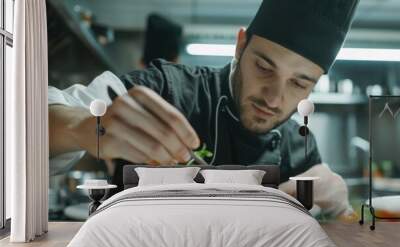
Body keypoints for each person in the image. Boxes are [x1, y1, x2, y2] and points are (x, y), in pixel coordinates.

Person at [49, 0, 360, 220]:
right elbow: (24, 122)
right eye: (264, 67)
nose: (275, 99)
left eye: (299, 83)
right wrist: (81, 126)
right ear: (240, 45)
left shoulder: (299, 147)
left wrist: (337, 208)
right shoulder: (168, 88)